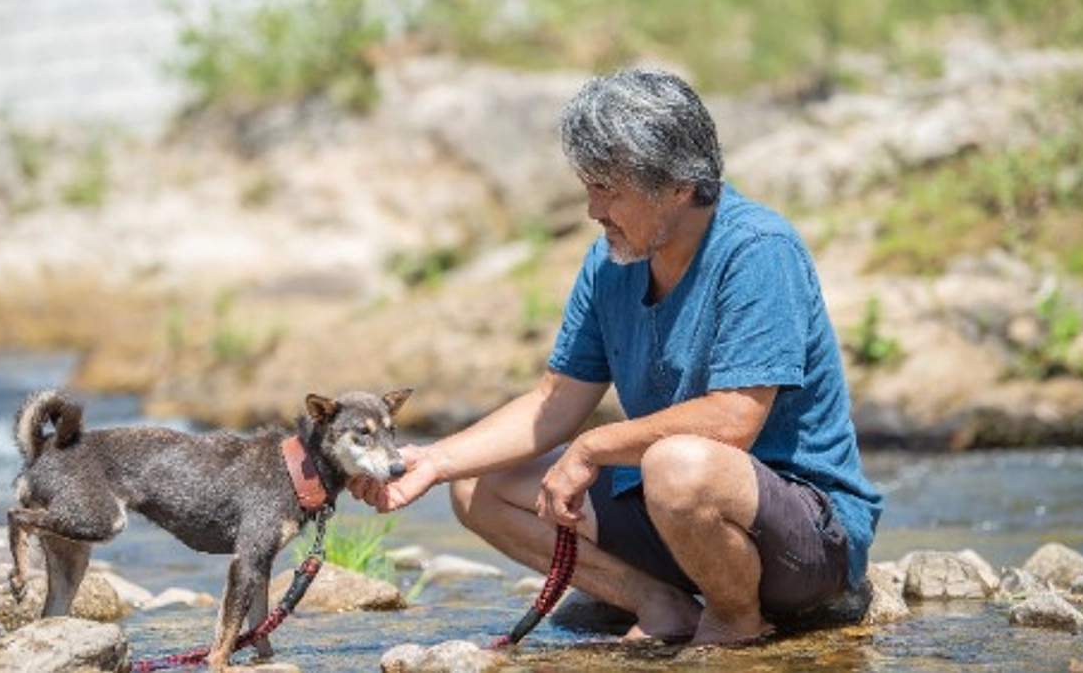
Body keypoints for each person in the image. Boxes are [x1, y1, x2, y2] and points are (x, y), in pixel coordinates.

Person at [350, 67, 883, 647]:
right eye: (589, 187)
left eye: (608, 189)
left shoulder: (759, 250)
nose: (592, 210)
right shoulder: (610, 263)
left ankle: (734, 621)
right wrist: (432, 462)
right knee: (477, 486)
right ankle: (659, 603)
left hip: (806, 538)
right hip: (677, 513)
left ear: (678, 186)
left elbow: (733, 419)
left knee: (676, 464)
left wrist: (593, 446)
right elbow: (555, 401)